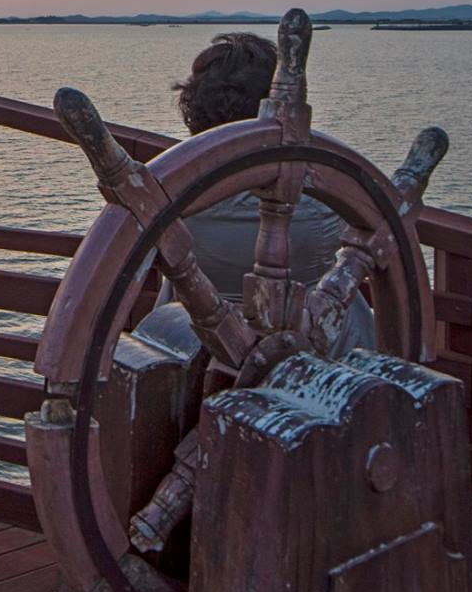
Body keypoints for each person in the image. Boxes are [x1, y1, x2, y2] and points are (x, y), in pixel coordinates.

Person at [137, 32, 376, 356]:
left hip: (195, 351)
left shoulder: (171, 193)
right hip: (330, 357)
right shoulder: (327, 194)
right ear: (284, 108)